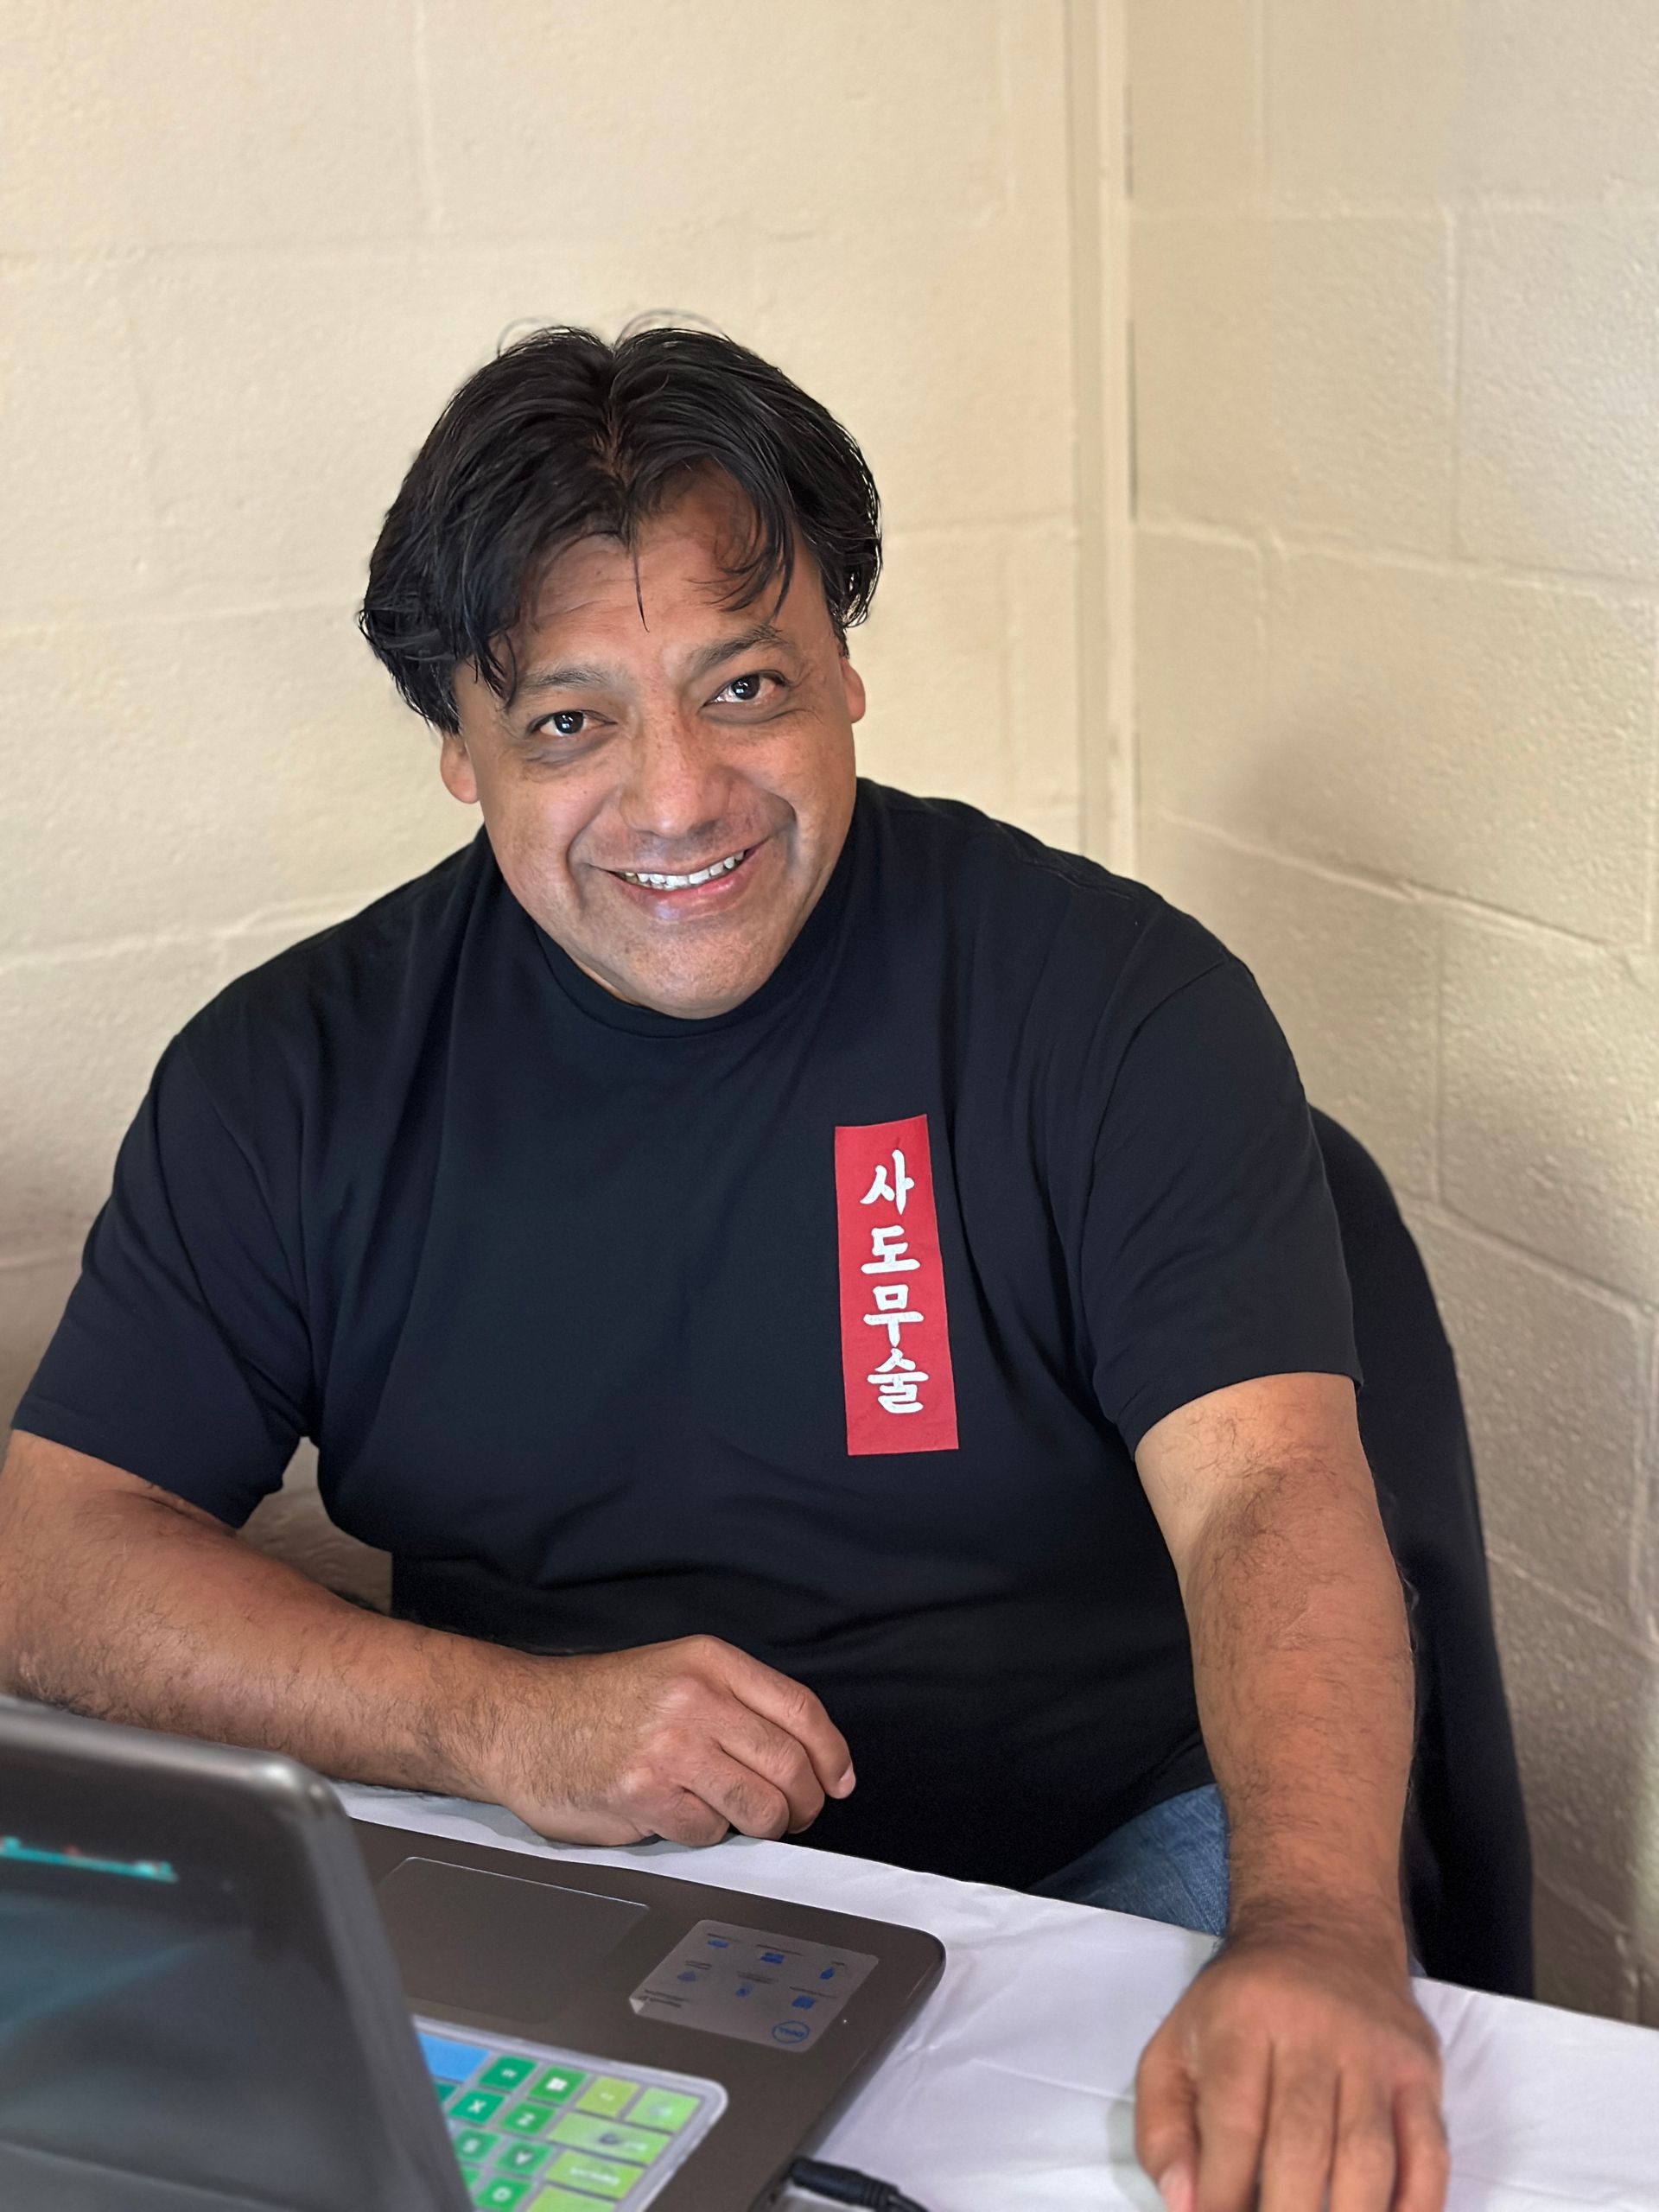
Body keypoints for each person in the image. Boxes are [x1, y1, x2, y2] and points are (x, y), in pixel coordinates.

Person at [0, 327, 1446, 2212]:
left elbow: (1269, 1488)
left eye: (744, 686)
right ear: (459, 750)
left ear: (845, 671)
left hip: (1086, 1856)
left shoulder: (1116, 1002)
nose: (678, 799)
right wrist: (495, 1719)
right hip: (556, 1862)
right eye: (570, 723)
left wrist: (1322, 1928)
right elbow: (51, 1555)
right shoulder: (293, 1076)